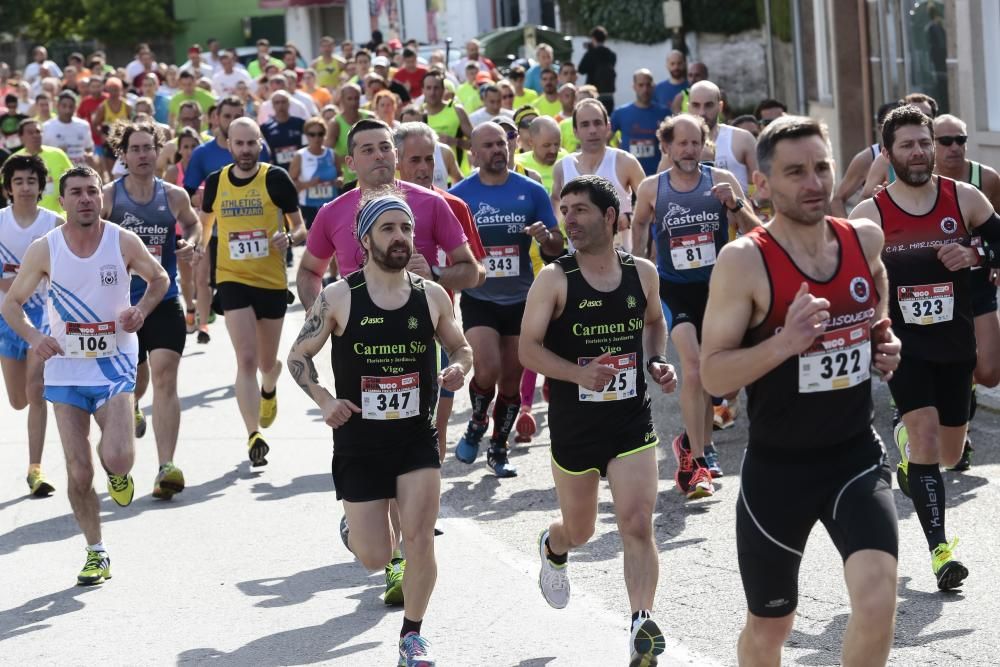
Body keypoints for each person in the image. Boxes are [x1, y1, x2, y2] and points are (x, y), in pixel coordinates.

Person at [700, 115, 902, 665]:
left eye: (822, 167)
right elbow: (713, 375)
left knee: (879, 597)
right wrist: (786, 343)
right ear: (762, 185)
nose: (813, 183)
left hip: (854, 458)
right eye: (795, 172)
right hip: (777, 471)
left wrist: (883, 339)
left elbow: (876, 296)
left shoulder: (863, 237)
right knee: (770, 628)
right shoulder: (744, 261)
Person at [287, 193, 472, 667]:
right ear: (365, 238)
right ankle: (357, 527)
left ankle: (412, 636)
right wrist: (326, 401)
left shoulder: (431, 295)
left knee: (419, 539)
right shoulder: (339, 297)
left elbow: (461, 347)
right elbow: (298, 356)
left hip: (415, 438)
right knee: (376, 555)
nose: (400, 238)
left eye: (406, 229)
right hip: (360, 440)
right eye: (388, 229)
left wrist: (459, 368)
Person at [520, 175, 676, 667]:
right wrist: (577, 374)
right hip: (574, 424)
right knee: (581, 530)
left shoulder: (642, 273)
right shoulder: (555, 278)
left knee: (636, 523)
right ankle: (555, 544)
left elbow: (654, 322)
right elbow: (527, 349)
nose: (569, 220)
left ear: (610, 217)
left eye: (580, 210)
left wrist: (655, 361)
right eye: (564, 210)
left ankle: (641, 624)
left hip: (630, 420)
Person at [851, 104, 1000, 590]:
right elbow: (850, 281)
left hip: (955, 343)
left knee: (952, 450)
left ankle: (904, 445)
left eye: (924, 142)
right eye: (906, 145)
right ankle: (941, 550)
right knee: (928, 443)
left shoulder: (965, 198)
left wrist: (975, 252)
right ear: (889, 152)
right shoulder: (870, 214)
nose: (918, 152)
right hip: (904, 345)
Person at [1, 165, 169, 585]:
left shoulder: (121, 240)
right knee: (78, 471)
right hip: (64, 368)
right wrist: (33, 336)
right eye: (75, 193)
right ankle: (96, 551)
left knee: (116, 457)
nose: (85, 199)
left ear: (100, 196)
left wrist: (141, 310)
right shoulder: (45, 248)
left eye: (92, 192)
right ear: (62, 202)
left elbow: (160, 277)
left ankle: (118, 470)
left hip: (114, 363)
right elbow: (11, 303)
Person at [631, 113, 759, 492]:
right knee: (692, 365)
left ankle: (696, 443)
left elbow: (755, 231)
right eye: (680, 143)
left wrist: (734, 205)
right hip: (674, 287)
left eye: (695, 142)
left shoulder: (722, 181)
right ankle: (700, 460)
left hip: (719, 289)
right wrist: (637, 265)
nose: (688, 150)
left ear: (706, 145)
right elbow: (639, 223)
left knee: (711, 373)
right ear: (666, 147)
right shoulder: (653, 187)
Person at [451, 122, 564, 477]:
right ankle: (477, 421)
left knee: (512, 382)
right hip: (479, 296)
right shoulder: (460, 195)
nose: (498, 150)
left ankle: (499, 446)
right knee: (487, 368)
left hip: (520, 297)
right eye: (488, 145)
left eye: (502, 143)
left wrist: (546, 238)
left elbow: (556, 246)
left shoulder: (531, 191)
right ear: (473, 153)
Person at [198, 118, 306, 465]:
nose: (245, 150)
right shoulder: (216, 183)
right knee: (245, 359)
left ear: (261, 144)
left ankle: (270, 386)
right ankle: (252, 434)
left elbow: (301, 227)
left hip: (270, 281)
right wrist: (197, 250)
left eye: (251, 143)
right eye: (238, 143)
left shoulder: (275, 179)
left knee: (265, 362)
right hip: (232, 278)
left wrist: (288, 238)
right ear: (228, 145)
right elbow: (204, 228)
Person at [102, 120, 201, 496]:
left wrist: (191, 243)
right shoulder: (110, 197)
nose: (143, 155)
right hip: (121, 307)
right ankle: (133, 410)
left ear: (159, 151)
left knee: (165, 376)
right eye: (135, 149)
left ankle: (165, 467)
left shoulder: (173, 195)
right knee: (135, 383)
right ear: (123, 155)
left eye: (149, 148)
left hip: (163, 299)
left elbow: (193, 225)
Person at [394, 121, 487, 457]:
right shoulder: (372, 205)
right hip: (382, 332)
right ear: (396, 161)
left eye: (429, 159)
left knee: (436, 429)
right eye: (415, 160)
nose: (423, 168)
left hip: (436, 329)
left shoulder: (452, 205)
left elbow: (478, 274)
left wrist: (435, 273)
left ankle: (427, 503)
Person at [931, 113, 1000, 471]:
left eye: (961, 139)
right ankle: (954, 422)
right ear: (932, 144)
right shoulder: (916, 183)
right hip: (934, 294)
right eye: (946, 141)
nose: (955, 147)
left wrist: (990, 258)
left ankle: (956, 383)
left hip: (977, 284)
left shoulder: (986, 179)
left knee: (989, 372)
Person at [0, 155, 63, 496]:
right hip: (6, 319)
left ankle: (34, 469)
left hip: (43, 318)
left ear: (41, 187)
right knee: (18, 400)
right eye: (18, 181)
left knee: (36, 390)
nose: (25, 187)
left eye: (31, 181)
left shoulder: (55, 224)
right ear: (8, 188)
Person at [184, 96, 270, 343]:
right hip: (212, 229)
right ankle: (203, 325)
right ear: (216, 119)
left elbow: (270, 185)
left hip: (249, 231)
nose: (232, 120)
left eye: (237, 115)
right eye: (227, 116)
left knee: (248, 284)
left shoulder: (255, 148)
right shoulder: (202, 153)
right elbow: (188, 191)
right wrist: (199, 199)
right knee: (203, 278)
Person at [551, 99, 646, 253]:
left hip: (620, 259)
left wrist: (629, 217)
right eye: (585, 125)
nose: (592, 130)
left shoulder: (625, 162)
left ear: (607, 126)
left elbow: (649, 206)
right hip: (578, 261)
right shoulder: (562, 167)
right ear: (575, 131)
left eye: (597, 123)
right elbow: (555, 215)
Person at [830, 101, 902, 217]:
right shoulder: (868, 158)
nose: (898, 129)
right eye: (891, 124)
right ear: (880, 128)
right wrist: (849, 230)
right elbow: (837, 200)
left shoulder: (918, 156)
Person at [687, 80, 758, 195]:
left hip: (738, 211)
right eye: (696, 105)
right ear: (689, 107)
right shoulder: (676, 145)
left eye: (708, 105)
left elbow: (763, 183)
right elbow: (660, 193)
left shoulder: (742, 139)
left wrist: (748, 207)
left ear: (720, 106)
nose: (702, 112)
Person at [611, 69, 670, 177]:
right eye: (641, 85)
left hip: (657, 175)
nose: (645, 89)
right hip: (628, 176)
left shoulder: (664, 113)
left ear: (653, 86)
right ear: (634, 86)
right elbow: (605, 139)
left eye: (648, 85)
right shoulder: (620, 113)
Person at [13, 119, 74, 215]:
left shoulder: (58, 154)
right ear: (21, 137)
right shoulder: (15, 160)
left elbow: (73, 179)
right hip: (28, 218)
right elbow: (6, 190)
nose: (35, 135)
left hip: (59, 216)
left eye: (38, 132)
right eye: (30, 132)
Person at [290, 117, 339, 229]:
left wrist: (339, 181)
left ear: (325, 135)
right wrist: (308, 184)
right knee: (313, 243)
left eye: (320, 134)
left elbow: (340, 174)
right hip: (309, 206)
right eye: (312, 134)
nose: (316, 138)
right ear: (306, 136)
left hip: (330, 205)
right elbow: (290, 184)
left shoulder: (332, 154)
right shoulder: (300, 156)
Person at [422, 71, 473, 173]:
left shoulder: (457, 110)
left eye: (436, 88)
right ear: (423, 90)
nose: (432, 92)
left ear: (443, 90)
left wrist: (455, 141)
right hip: (430, 178)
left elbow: (477, 143)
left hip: (458, 177)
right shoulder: (419, 113)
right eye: (428, 88)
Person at [325, 83, 372, 186]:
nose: (353, 102)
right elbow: (327, 154)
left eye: (356, 98)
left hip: (368, 176)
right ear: (341, 100)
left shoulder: (369, 118)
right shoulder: (335, 123)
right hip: (347, 180)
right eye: (349, 99)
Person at [515, 116, 568, 193]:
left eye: (557, 144)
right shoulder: (518, 164)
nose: (553, 151)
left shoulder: (567, 160)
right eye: (546, 145)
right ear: (531, 142)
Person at [42, 91, 94, 167]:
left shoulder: (83, 125)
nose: (67, 110)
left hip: (80, 171)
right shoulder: (47, 126)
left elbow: (89, 149)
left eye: (71, 106)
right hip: (57, 171)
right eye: (64, 106)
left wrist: (89, 157)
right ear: (57, 106)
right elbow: (42, 151)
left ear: (75, 107)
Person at [260, 91, 306, 173]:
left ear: (289, 104)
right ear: (273, 105)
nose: (280, 105)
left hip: (300, 169)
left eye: (283, 102)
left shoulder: (301, 124)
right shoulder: (265, 128)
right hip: (278, 171)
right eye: (277, 103)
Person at [577, 26, 617, 114]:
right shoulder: (611, 54)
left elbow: (581, 69)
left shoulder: (591, 53)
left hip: (593, 94)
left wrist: (590, 50)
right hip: (609, 95)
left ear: (593, 38)